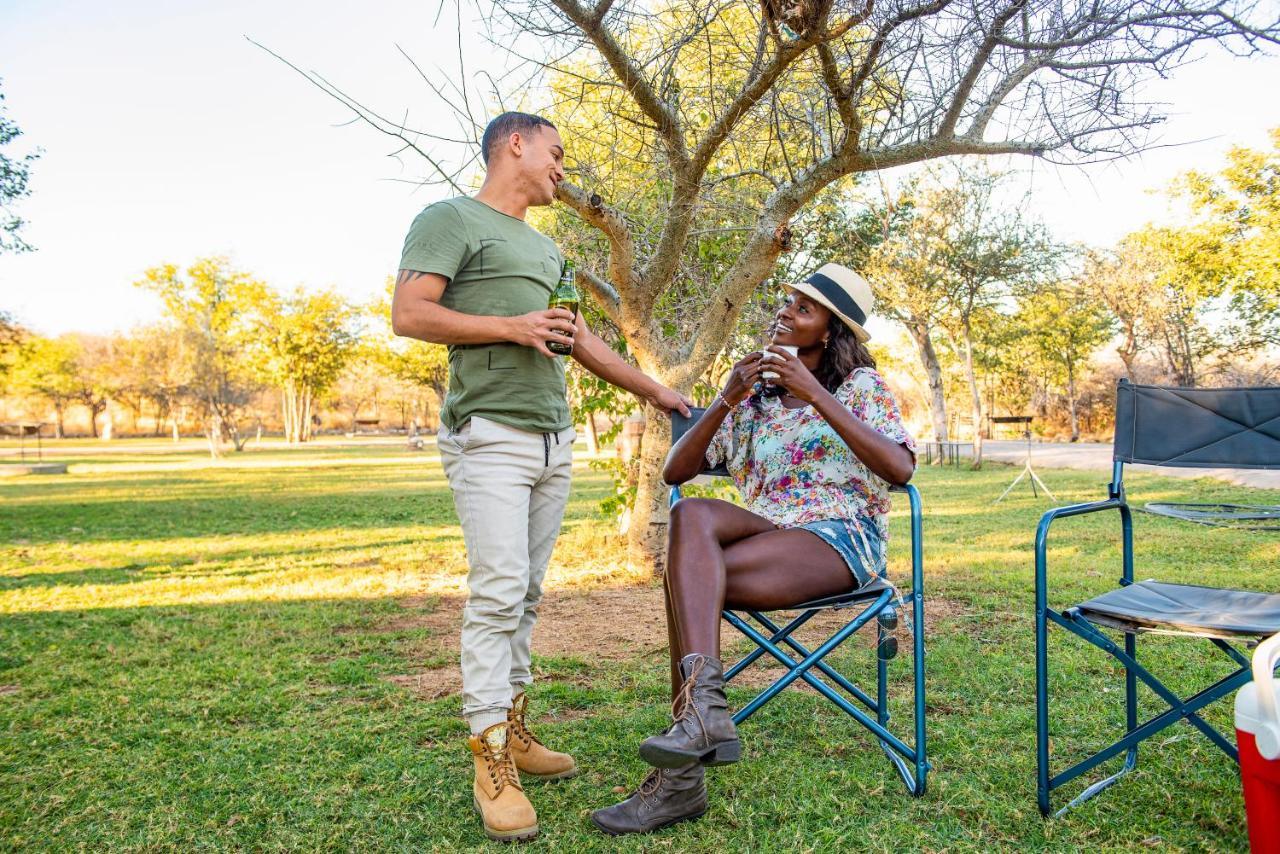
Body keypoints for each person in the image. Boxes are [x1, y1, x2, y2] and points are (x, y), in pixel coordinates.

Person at [390, 111, 691, 843]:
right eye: (557, 151)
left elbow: (577, 338)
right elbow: (408, 313)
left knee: (523, 594)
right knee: (496, 590)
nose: (563, 167)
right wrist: (512, 327)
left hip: (553, 442)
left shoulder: (548, 247)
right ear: (515, 145)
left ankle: (514, 727)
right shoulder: (449, 218)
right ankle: (489, 758)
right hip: (489, 433)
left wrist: (659, 392)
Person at [590, 263, 916, 836]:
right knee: (689, 512)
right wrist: (727, 395)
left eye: (803, 308)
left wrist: (812, 394)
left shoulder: (861, 388)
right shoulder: (756, 400)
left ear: (831, 331)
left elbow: (899, 467)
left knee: (688, 581)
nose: (785, 311)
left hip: (840, 538)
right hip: (768, 531)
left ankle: (680, 781)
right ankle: (702, 718)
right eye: (787, 301)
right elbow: (676, 470)